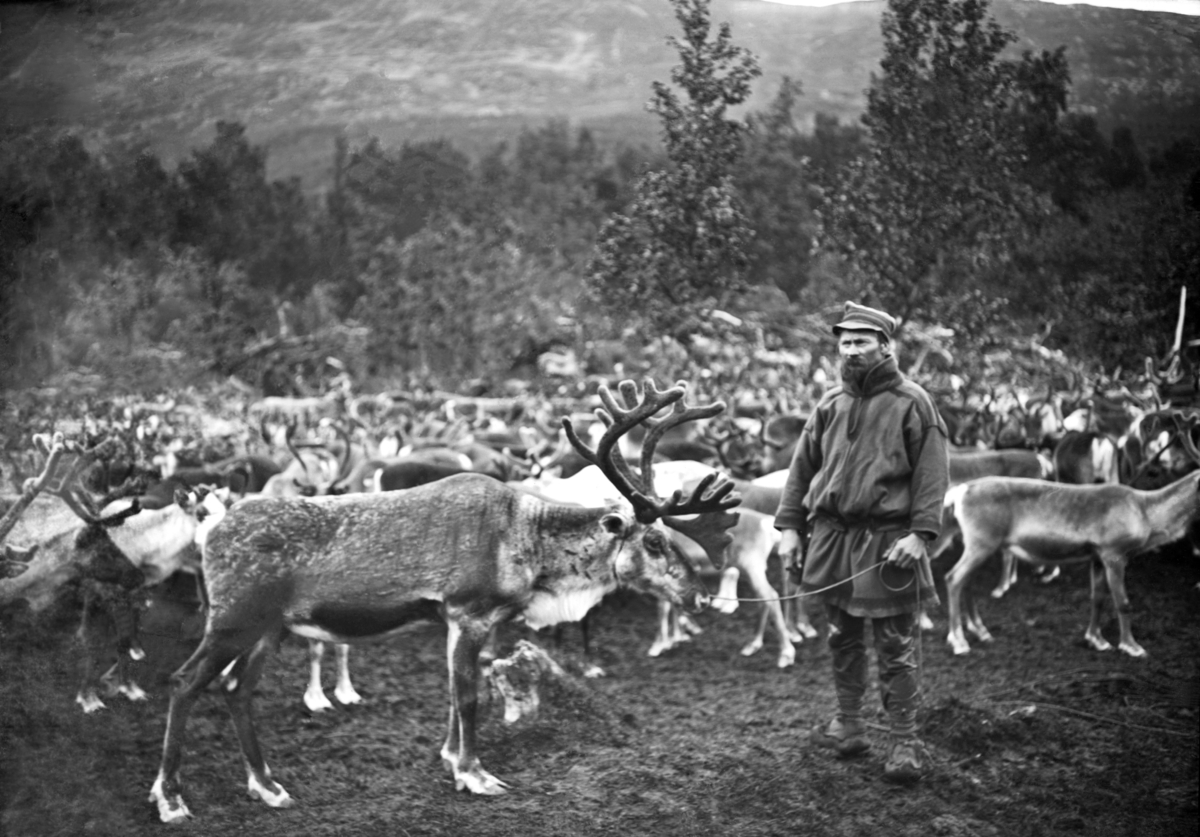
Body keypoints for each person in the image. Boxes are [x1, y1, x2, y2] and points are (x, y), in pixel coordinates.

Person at [775, 301, 949, 784]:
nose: (851, 351)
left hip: (888, 540)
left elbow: (933, 474)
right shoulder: (830, 404)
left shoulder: (913, 402)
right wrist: (790, 528)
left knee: (896, 643)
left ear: (884, 346)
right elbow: (801, 469)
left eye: (861, 342)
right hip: (831, 537)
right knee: (840, 636)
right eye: (845, 343)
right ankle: (848, 724)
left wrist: (921, 534)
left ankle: (905, 742)